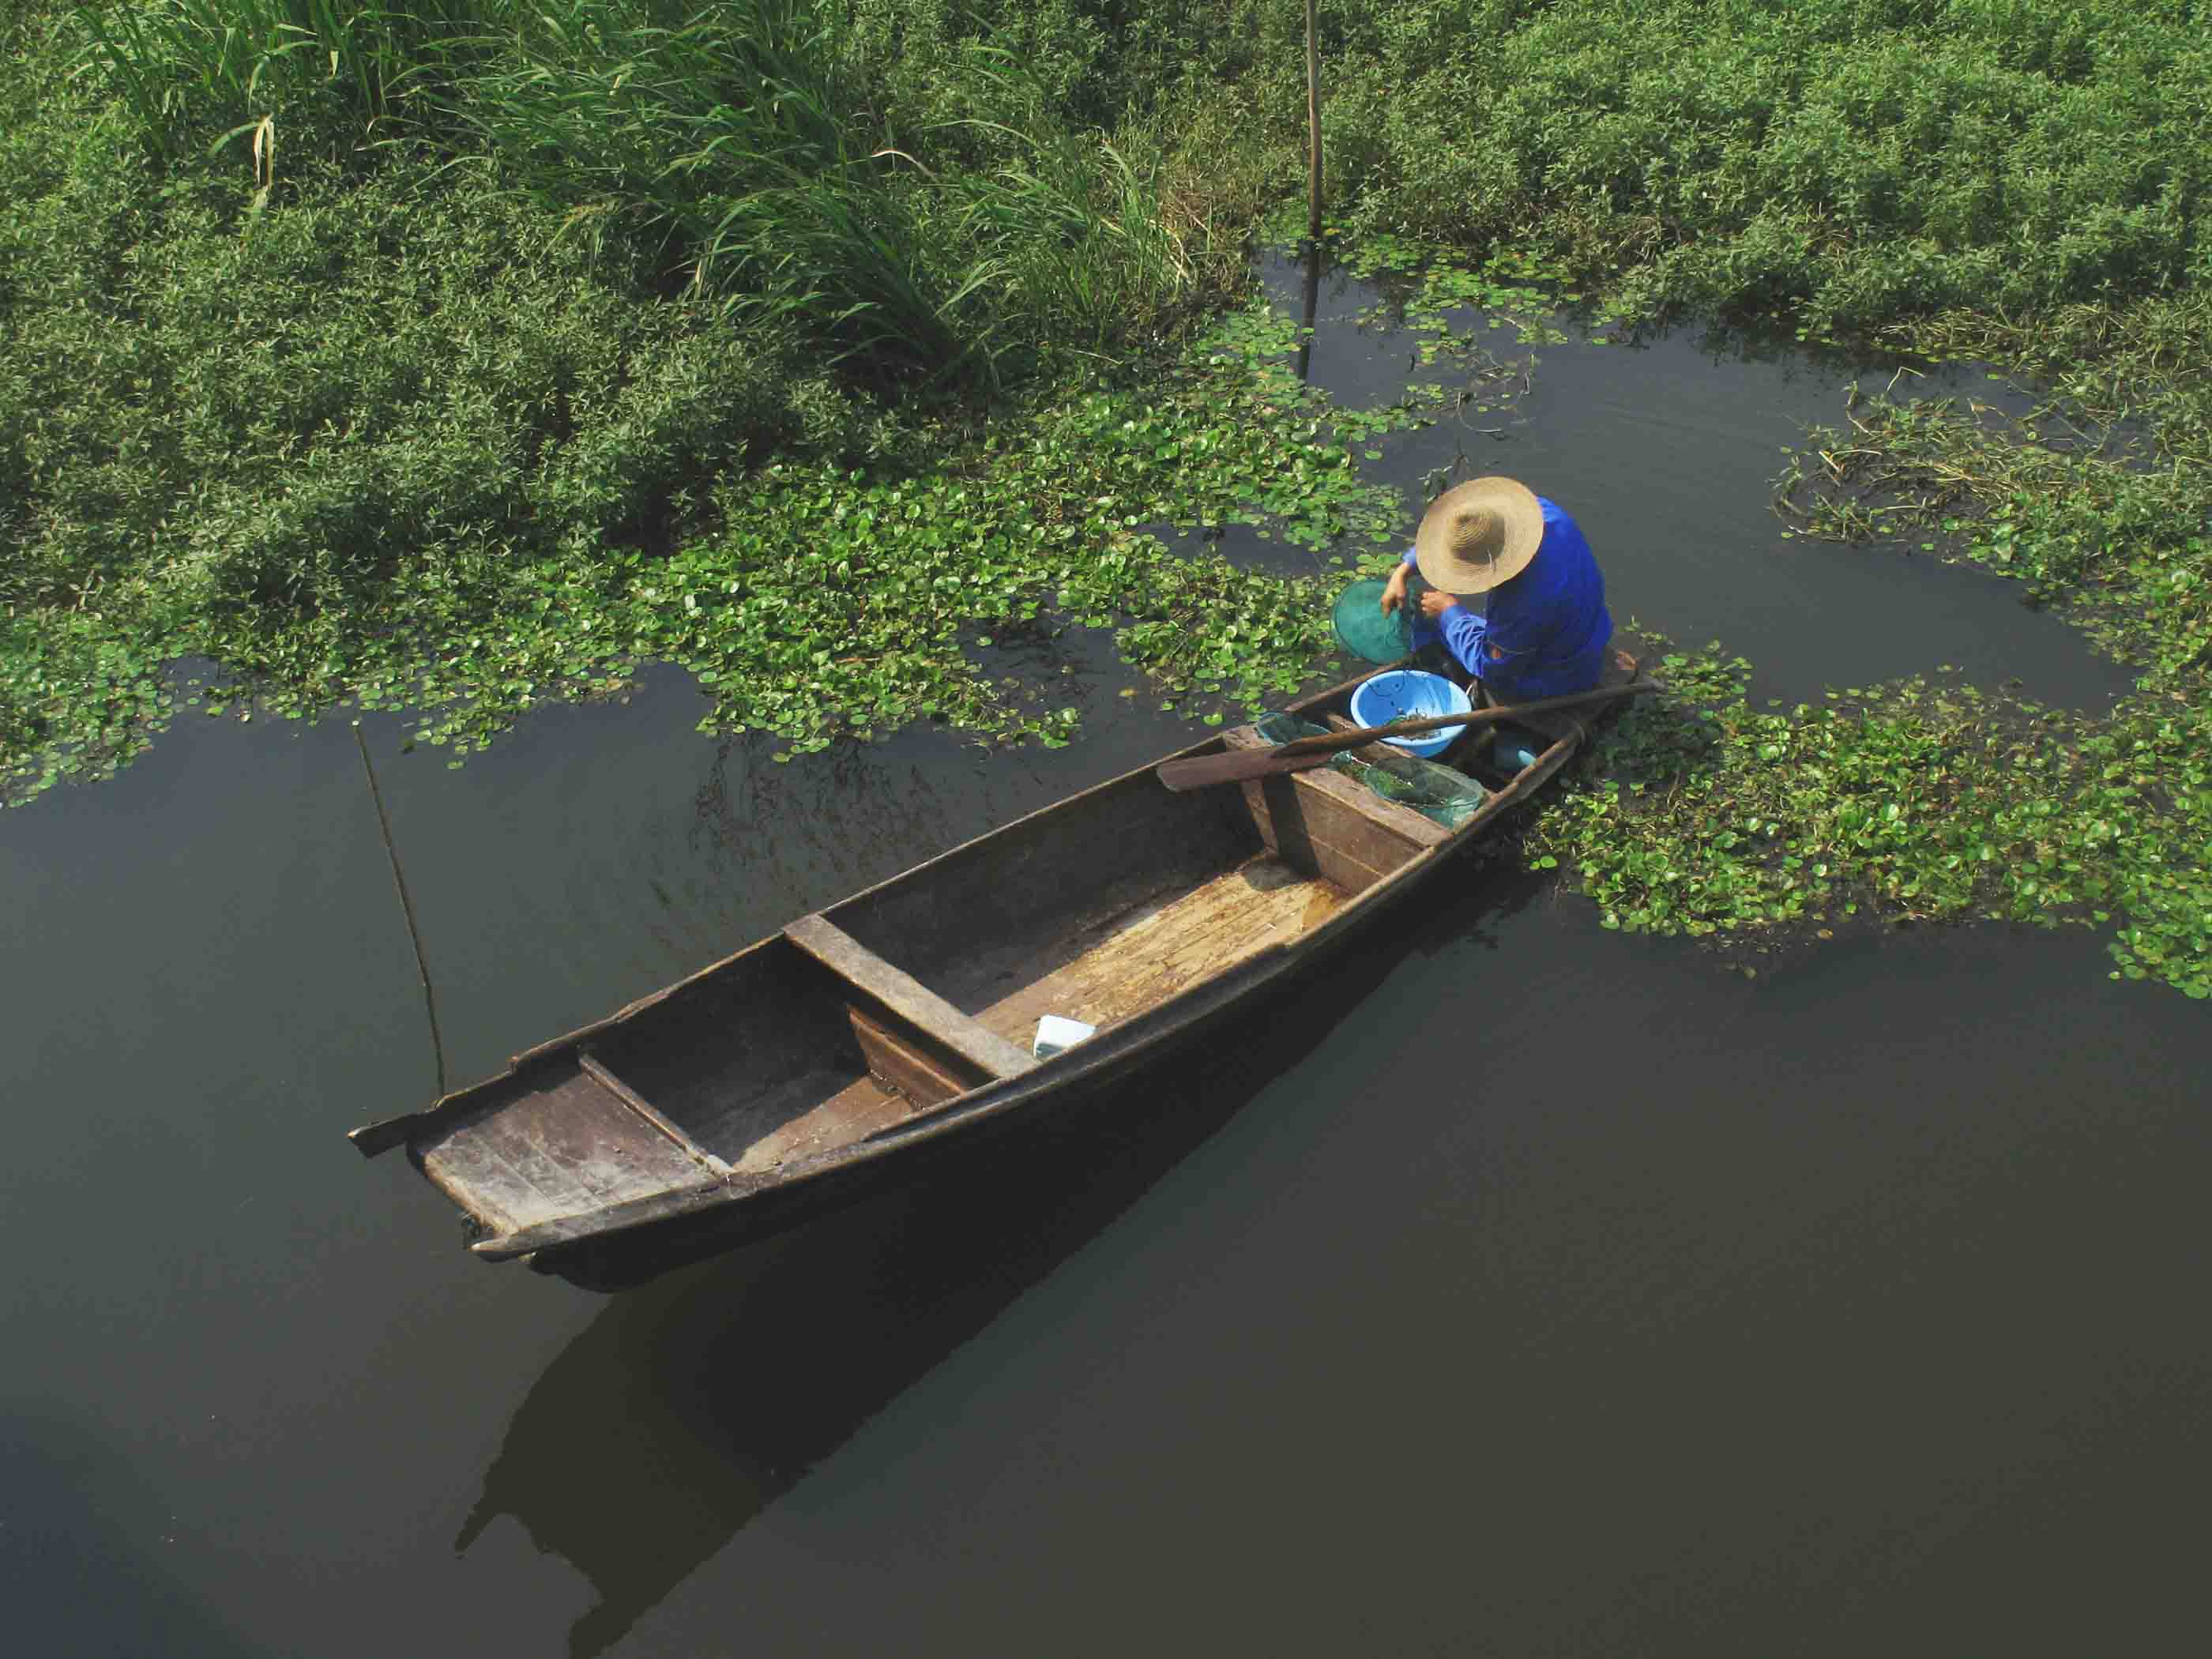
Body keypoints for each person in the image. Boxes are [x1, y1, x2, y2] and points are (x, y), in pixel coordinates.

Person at [1379, 476, 1612, 702]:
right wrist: (1404, 570)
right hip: (1586, 638)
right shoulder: (1547, 515)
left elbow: (1492, 667)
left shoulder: (1523, 602)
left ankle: (1436, 674)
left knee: (1433, 623)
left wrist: (1448, 613)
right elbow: (1473, 539)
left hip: (1559, 677)